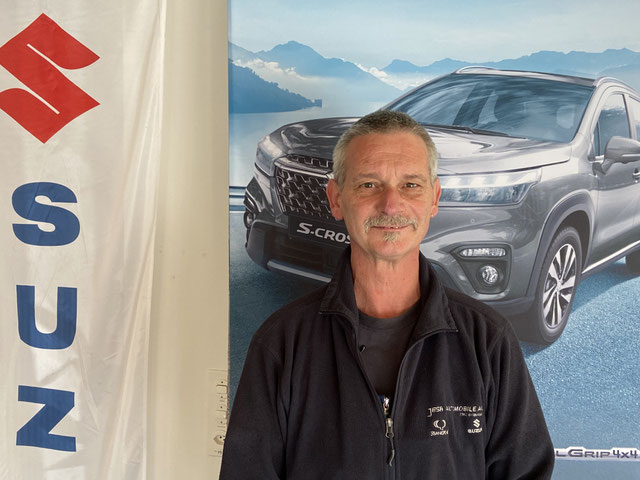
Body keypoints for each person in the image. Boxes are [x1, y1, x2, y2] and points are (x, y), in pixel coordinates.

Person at [220, 110, 554, 479]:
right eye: (368, 185)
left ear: (433, 198)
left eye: (410, 185)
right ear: (336, 198)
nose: (391, 205)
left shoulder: (487, 341)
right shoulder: (282, 344)